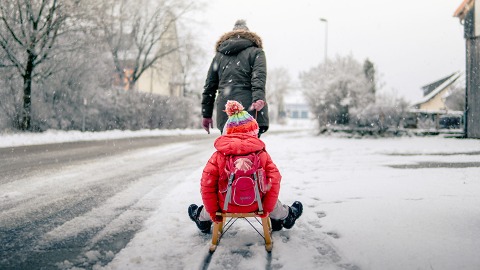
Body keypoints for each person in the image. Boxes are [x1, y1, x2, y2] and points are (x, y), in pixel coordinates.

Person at [189, 100, 302, 233]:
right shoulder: (261, 155)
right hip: (256, 204)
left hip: (226, 206)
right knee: (271, 198)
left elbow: (207, 185)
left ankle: (202, 219)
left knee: (214, 198)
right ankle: (286, 216)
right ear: (254, 131)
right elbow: (274, 180)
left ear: (227, 132)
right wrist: (266, 209)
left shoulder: (218, 156)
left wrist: (214, 212)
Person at [201, 19, 269, 137]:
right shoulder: (256, 52)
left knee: (229, 149)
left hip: (226, 109)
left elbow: (209, 87)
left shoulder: (219, 56)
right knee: (251, 149)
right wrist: (258, 99)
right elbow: (258, 78)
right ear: (249, 35)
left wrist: (206, 114)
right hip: (250, 108)